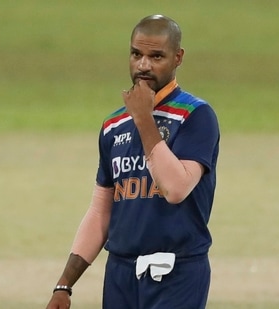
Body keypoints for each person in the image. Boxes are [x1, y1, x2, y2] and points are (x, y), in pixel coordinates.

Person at [45, 14, 220, 309]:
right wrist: (65, 284)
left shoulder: (195, 115)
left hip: (177, 273)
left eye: (156, 56)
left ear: (178, 58)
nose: (143, 65)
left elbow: (176, 189)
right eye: (136, 54)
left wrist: (143, 118)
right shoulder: (114, 125)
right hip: (121, 273)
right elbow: (101, 211)